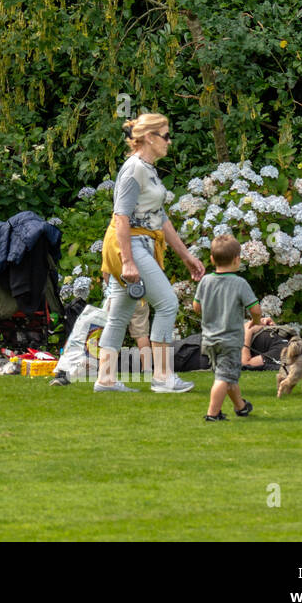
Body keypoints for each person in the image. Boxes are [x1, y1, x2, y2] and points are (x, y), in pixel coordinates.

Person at [94, 113, 205, 393]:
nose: (170, 141)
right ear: (149, 138)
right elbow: (121, 217)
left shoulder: (148, 168)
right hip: (129, 244)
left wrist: (187, 257)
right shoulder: (134, 170)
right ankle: (163, 376)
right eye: (166, 136)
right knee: (167, 303)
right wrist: (127, 261)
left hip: (141, 242)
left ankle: (106, 379)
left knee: (120, 311)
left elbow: (161, 218)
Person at [192, 235, 259, 421]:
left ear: (212, 259)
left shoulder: (205, 281)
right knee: (223, 378)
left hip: (209, 339)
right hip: (230, 340)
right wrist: (256, 321)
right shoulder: (239, 283)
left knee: (227, 374)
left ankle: (241, 406)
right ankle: (212, 414)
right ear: (237, 259)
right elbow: (255, 308)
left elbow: (196, 307)